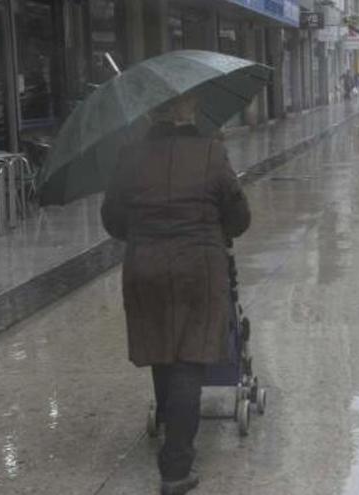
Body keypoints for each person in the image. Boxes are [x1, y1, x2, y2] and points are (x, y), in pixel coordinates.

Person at [101, 94, 251, 495]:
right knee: (188, 359)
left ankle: (172, 430)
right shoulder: (211, 153)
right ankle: (175, 467)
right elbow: (239, 217)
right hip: (198, 270)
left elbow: (112, 220)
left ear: (151, 112)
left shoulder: (129, 156)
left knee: (161, 350)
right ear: (189, 110)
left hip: (145, 267)